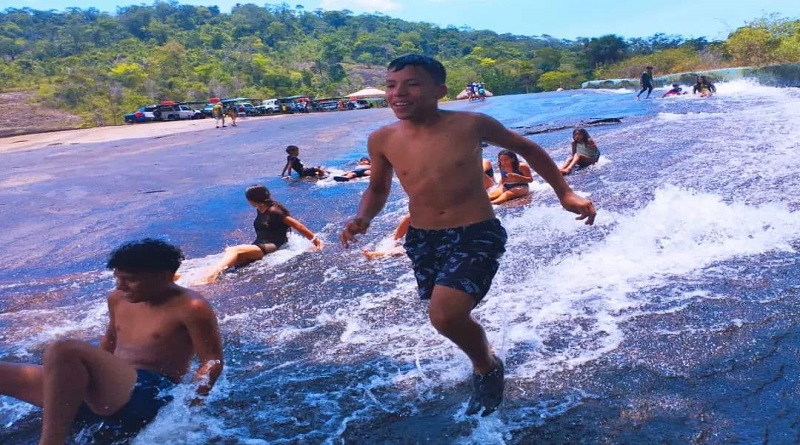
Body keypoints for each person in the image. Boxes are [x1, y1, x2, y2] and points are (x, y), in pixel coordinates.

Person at [339, 54, 596, 417]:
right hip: (423, 238)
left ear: (439, 91)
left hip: (475, 231)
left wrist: (565, 193)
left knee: (444, 316)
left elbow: (529, 149)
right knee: (446, 314)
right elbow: (378, 189)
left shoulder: (471, 124)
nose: (399, 93)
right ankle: (483, 354)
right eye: (392, 85)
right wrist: (362, 217)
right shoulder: (382, 138)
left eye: (412, 84)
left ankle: (486, 367)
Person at [0, 239, 223, 444]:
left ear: (163, 277)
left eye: (130, 279)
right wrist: (85, 378)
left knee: (63, 349)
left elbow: (211, 360)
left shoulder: (192, 307)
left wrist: (187, 409)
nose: (120, 286)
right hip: (109, 391)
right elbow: (110, 341)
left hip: (150, 393)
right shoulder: (117, 298)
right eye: (117, 277)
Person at [200, 184, 322, 284]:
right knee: (235, 260)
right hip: (260, 243)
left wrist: (316, 241)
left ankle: (211, 276)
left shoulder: (274, 211)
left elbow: (298, 225)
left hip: (271, 245)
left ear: (253, 200)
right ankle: (212, 275)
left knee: (233, 250)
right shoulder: (261, 208)